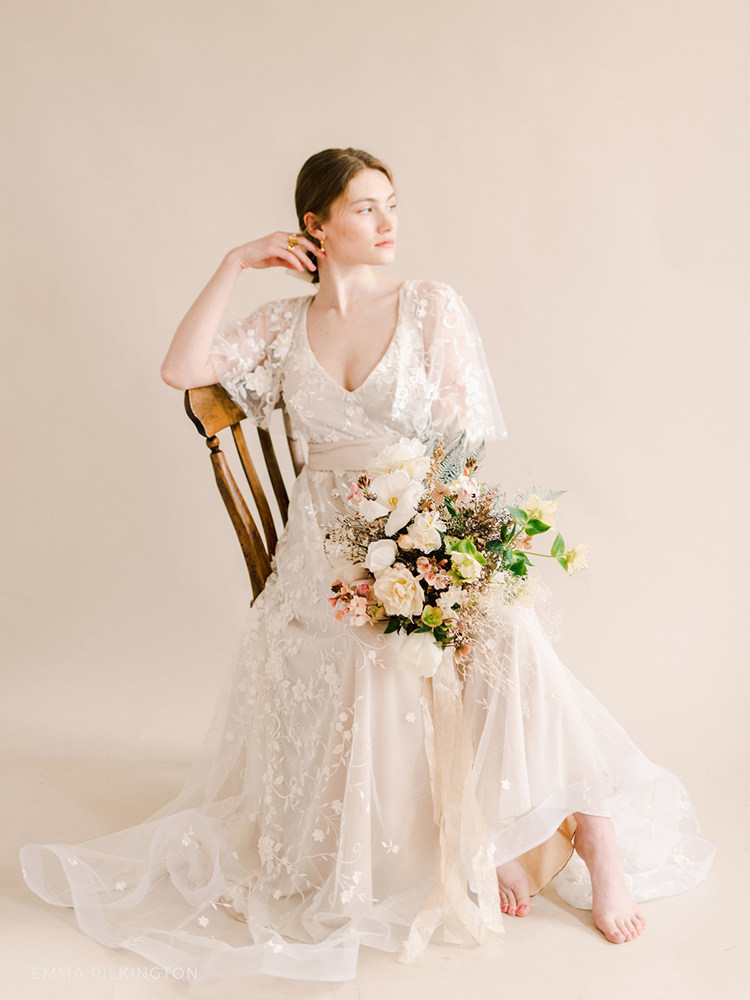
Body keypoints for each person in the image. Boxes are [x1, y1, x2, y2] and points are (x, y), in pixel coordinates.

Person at [19, 147, 715, 982]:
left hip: (417, 519)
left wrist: (435, 548)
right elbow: (183, 370)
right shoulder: (282, 324)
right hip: (321, 550)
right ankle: (475, 840)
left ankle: (592, 839)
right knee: (363, 644)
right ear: (315, 226)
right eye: (365, 208)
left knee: (509, 635)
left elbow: (458, 446)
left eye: (392, 204)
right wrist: (235, 261)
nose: (388, 223)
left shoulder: (428, 306)